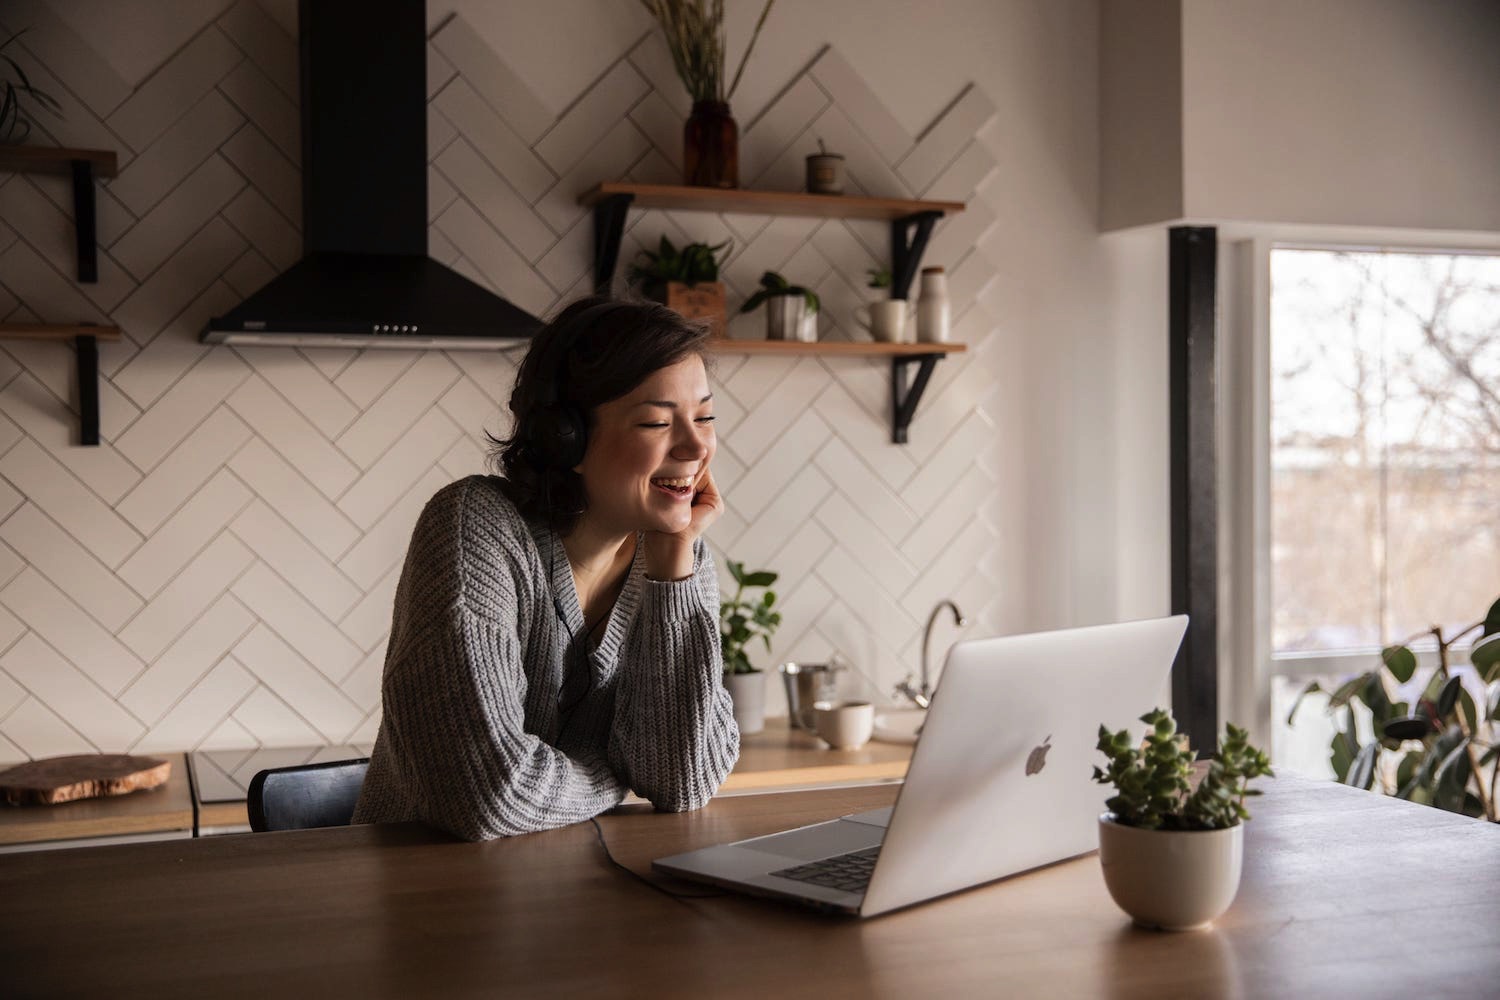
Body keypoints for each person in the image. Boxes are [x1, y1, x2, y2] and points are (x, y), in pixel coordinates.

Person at [352, 296, 739, 840]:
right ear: (566, 438)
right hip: (425, 898)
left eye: (705, 416)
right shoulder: (476, 527)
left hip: (575, 896)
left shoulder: (680, 560)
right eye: (656, 422)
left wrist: (674, 572)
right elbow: (487, 794)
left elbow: (682, 782)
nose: (696, 446)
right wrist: (613, 772)